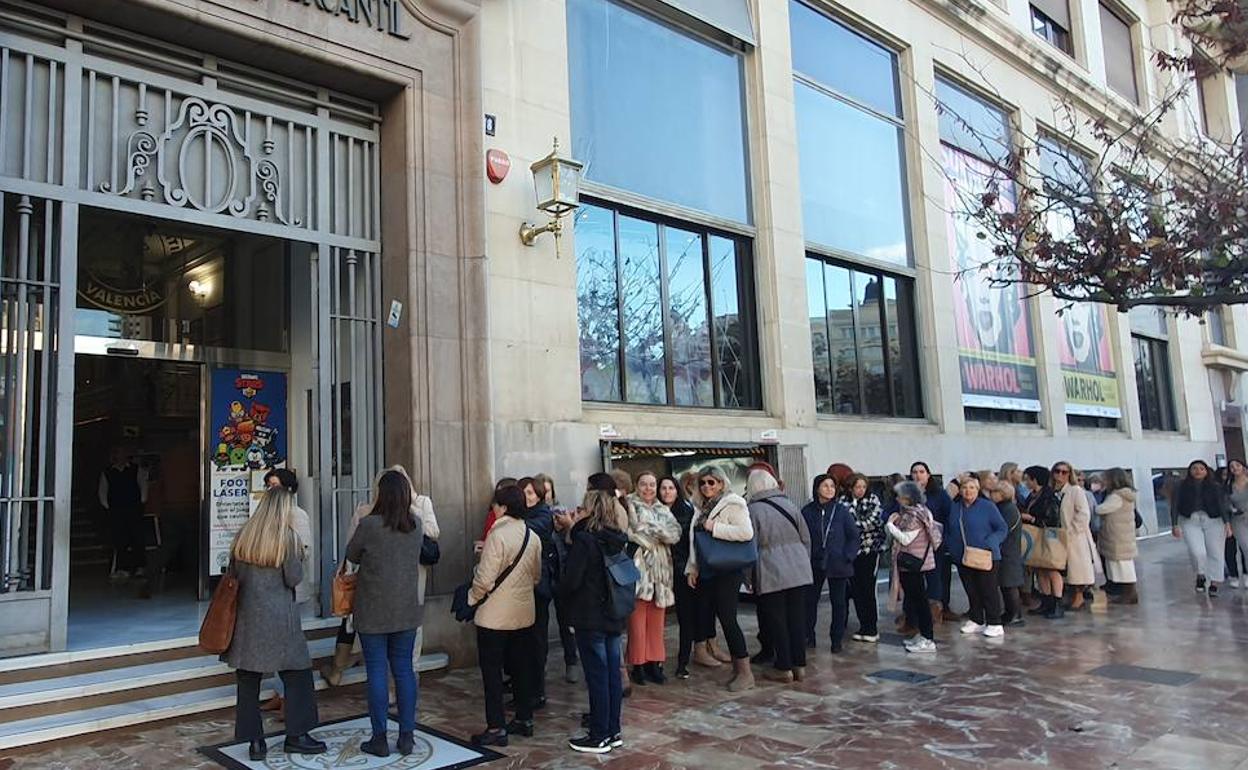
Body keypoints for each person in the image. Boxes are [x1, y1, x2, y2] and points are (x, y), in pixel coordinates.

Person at [222, 488, 325, 761]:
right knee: (298, 676)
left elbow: (232, 574)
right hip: (281, 621)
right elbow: (293, 579)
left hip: (248, 620)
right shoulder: (288, 539)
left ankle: (254, 742)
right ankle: (297, 735)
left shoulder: (244, 536)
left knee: (247, 682)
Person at [323, 467, 438, 687]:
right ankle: (405, 720)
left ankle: (378, 717)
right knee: (401, 666)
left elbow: (352, 551)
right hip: (403, 598)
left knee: (379, 668)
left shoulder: (382, 518)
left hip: (375, 598)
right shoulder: (411, 521)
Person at [344, 470, 424, 758]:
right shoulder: (416, 525)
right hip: (405, 609)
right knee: (403, 671)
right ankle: (407, 736)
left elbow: (352, 555)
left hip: (373, 608)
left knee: (376, 670)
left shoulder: (369, 524)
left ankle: (379, 738)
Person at [469, 484, 542, 748]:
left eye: (495, 505)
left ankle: (496, 726)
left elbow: (485, 579)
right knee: (521, 668)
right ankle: (524, 718)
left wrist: (471, 598)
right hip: (523, 613)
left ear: (503, 506)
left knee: (492, 673)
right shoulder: (532, 536)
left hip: (494, 616)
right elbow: (536, 576)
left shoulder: (497, 534)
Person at [561, 490, 630, 754]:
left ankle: (599, 735)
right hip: (613, 614)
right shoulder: (616, 539)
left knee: (598, 676)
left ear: (590, 510)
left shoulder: (585, 540)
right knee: (612, 675)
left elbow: (571, 581)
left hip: (590, 616)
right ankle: (613, 730)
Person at [686, 465, 755, 692]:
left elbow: (746, 533)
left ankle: (744, 671)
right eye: (703, 482)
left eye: (711, 482)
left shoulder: (733, 503)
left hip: (727, 569)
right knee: (706, 615)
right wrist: (692, 568)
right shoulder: (700, 507)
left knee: (728, 618)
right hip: (706, 570)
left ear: (721, 483)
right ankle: (729, 664)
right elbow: (694, 543)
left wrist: (714, 526)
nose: (707, 486)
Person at [746, 468, 812, 682]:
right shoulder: (790, 504)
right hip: (799, 569)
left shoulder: (753, 511)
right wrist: (803, 562)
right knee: (797, 618)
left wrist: (748, 578)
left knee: (777, 620)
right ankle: (799, 665)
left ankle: (783, 666)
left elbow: (750, 547)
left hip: (770, 570)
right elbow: (806, 538)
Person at [260, 469, 313, 715]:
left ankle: (288, 698)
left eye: (275, 485)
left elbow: (304, 550)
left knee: (287, 647)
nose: (270, 490)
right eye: (268, 485)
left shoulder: (297, 515)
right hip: (270, 590)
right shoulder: (264, 515)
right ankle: (278, 693)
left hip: (289, 587)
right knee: (274, 644)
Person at [624, 471, 682, 686]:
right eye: (644, 484)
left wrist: (649, 529)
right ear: (636, 485)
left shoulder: (662, 508)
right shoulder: (629, 505)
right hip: (640, 571)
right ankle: (637, 664)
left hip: (662, 573)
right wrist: (659, 533)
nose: (648, 489)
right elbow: (632, 533)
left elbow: (675, 534)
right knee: (637, 622)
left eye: (652, 484)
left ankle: (654, 663)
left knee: (657, 621)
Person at [946, 475, 1008, 639]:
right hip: (963, 556)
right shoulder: (955, 507)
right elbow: (949, 528)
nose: (968, 491)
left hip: (985, 555)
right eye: (965, 487)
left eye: (972, 488)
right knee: (971, 589)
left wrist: (991, 541)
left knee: (988, 589)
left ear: (978, 490)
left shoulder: (987, 507)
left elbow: (1002, 528)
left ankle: (994, 622)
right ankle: (977, 619)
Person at [886, 481, 940, 653]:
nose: (897, 499)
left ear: (908, 497)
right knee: (915, 600)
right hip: (909, 564)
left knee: (921, 601)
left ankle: (928, 638)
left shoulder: (915, 515)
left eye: (900, 496)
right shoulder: (910, 513)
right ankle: (923, 635)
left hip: (915, 563)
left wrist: (890, 525)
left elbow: (906, 539)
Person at [518, 476, 558, 708]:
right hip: (521, 587)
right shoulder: (522, 516)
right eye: (523, 493)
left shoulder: (542, 516)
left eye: (531, 493)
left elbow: (526, 531)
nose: (527, 497)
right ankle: (525, 688)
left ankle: (537, 691)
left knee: (536, 640)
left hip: (538, 586)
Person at [541, 474, 581, 684]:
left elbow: (572, 540)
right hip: (544, 572)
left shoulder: (562, 510)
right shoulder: (536, 516)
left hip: (563, 571)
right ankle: (542, 663)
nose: (547, 495)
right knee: (540, 622)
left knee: (566, 621)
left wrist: (567, 525)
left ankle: (571, 661)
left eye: (549, 490)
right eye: (543, 491)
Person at [659, 474, 699, 679]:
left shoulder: (686, 511)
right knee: (657, 617)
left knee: (685, 617)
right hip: (658, 571)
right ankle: (653, 662)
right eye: (663, 488)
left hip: (681, 570)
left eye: (671, 488)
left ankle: (683, 662)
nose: (667, 492)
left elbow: (689, 543)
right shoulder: (653, 511)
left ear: (677, 490)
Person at [1173, 459, 1231, 596]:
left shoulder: (1215, 486)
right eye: (1194, 468)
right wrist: (1174, 524)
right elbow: (1175, 505)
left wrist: (1227, 523)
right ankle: (1200, 574)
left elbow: (1222, 505)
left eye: (1201, 468)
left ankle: (1215, 582)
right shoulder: (1181, 486)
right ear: (1189, 471)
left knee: (1216, 552)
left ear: (1206, 471)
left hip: (1213, 520)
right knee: (1197, 552)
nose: (1198, 471)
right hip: (1190, 520)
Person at [802, 474, 847, 647]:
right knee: (810, 600)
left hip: (837, 562)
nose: (829, 489)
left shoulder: (841, 510)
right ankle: (808, 636)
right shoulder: (807, 511)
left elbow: (853, 536)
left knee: (838, 602)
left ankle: (836, 639)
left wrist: (847, 555)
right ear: (817, 488)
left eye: (832, 486)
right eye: (825, 486)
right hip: (814, 561)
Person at [911, 462, 955, 622]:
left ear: (928, 475)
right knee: (914, 580)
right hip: (912, 545)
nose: (918, 475)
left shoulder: (939, 494)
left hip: (935, 543)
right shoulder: (907, 493)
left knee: (935, 578)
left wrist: (946, 540)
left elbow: (949, 516)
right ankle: (913, 614)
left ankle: (936, 612)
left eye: (922, 471)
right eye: (914, 472)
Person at [844, 473, 885, 643]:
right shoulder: (844, 502)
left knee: (868, 588)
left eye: (863, 487)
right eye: (857, 487)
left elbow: (873, 521)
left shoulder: (873, 500)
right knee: (857, 589)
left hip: (870, 550)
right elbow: (846, 522)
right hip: (853, 552)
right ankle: (863, 624)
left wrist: (856, 526)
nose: (860, 490)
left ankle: (871, 626)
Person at [1056, 462, 1101, 611]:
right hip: (1060, 537)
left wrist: (1072, 530)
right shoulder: (1056, 492)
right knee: (1068, 570)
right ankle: (1072, 596)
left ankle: (1079, 597)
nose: (1060, 475)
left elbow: (1084, 513)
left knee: (1078, 569)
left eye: (1064, 472)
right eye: (1057, 471)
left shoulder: (1075, 490)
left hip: (1076, 537)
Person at [99, 445, 150, 579]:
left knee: (137, 537)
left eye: (122, 453)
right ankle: (123, 568)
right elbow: (103, 491)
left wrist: (142, 501)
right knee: (120, 539)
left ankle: (140, 567)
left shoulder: (135, 469)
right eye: (118, 453)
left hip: (134, 508)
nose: (120, 456)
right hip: (117, 510)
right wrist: (108, 506)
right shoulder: (108, 472)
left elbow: (143, 485)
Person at [1020, 465, 1064, 618]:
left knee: (1052, 568)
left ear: (1035, 479)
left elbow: (1052, 517)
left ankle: (1057, 602)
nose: (1026, 482)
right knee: (1040, 568)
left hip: (1048, 535)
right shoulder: (1032, 495)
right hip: (1035, 536)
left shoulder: (1049, 496)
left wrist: (1032, 519)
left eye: (1028, 479)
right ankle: (1046, 601)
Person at [1095, 468, 1139, 605]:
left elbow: (1101, 509)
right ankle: (1126, 592)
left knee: (1122, 567)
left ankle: (1129, 593)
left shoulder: (1116, 496)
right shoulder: (1124, 495)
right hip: (1122, 536)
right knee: (1122, 566)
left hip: (1117, 536)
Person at [988, 481, 1024, 626]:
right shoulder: (1002, 508)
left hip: (1009, 551)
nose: (992, 495)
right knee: (1004, 584)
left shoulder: (1008, 509)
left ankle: (1015, 614)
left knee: (1010, 584)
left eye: (994, 492)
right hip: (1006, 550)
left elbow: (1003, 528)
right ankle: (1009, 612)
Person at [1228, 460, 1248, 589]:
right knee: (1246, 547)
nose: (1235, 468)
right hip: (1238, 519)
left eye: (1237, 465)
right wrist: (1233, 509)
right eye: (1231, 466)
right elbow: (1225, 502)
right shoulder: (1229, 485)